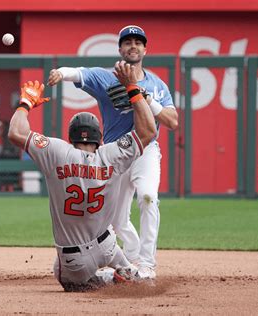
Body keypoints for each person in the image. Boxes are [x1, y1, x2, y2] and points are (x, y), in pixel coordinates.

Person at [8, 61, 157, 291]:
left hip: (74, 260)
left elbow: (16, 132)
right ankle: (126, 269)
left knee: (64, 276)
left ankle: (102, 280)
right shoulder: (112, 154)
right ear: (99, 139)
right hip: (107, 245)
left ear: (70, 137)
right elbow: (149, 131)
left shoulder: (56, 151)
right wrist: (133, 88)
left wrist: (25, 103)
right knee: (109, 242)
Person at [47, 25, 178, 279]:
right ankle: (131, 258)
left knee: (149, 197)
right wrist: (59, 73)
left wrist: (146, 98)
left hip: (146, 149)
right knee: (116, 219)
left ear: (145, 49)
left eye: (138, 42)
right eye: (127, 42)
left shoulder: (157, 84)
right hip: (115, 152)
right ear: (120, 49)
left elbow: (172, 121)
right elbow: (77, 73)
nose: (133, 46)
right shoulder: (106, 78)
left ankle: (147, 264)